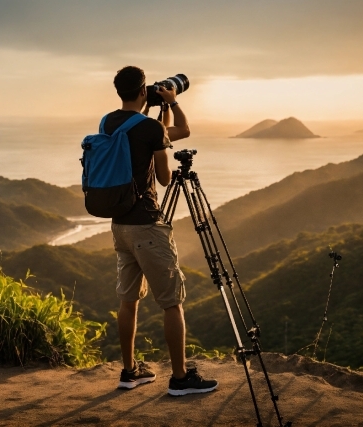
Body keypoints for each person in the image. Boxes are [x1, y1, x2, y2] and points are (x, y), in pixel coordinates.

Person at [107, 66, 218, 396]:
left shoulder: (108, 122)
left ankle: (129, 372)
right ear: (145, 91)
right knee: (172, 303)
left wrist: (159, 116)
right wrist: (172, 102)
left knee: (128, 300)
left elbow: (156, 134)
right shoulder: (150, 127)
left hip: (119, 224)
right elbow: (166, 176)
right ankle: (181, 379)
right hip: (146, 226)